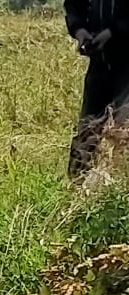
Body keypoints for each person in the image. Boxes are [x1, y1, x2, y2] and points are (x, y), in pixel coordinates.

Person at [66, 0, 129, 177]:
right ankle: (75, 192)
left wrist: (112, 32)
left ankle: (118, 188)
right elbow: (74, 5)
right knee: (87, 129)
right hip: (99, 63)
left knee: (122, 128)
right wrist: (80, 31)